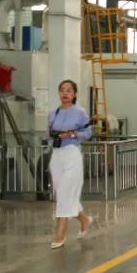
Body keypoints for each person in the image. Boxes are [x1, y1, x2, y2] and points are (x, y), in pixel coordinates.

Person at [47, 79, 94, 249]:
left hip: (72, 154)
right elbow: (47, 133)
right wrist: (52, 135)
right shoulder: (53, 113)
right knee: (63, 194)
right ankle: (84, 220)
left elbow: (88, 132)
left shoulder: (80, 112)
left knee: (64, 194)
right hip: (56, 155)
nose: (65, 93)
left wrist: (72, 134)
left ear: (74, 94)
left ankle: (60, 234)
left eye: (68, 90)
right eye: (62, 90)